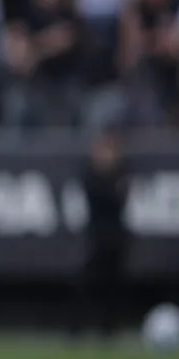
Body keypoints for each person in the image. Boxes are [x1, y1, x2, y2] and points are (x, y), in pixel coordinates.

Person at [69, 125, 130, 340]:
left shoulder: (122, 172)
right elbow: (103, 197)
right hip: (96, 237)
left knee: (113, 285)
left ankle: (109, 328)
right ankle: (76, 327)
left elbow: (122, 200)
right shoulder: (90, 175)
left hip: (116, 238)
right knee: (88, 283)